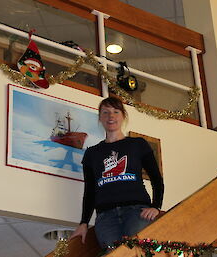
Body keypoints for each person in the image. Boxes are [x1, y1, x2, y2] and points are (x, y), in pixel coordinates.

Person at [70, 96, 164, 250]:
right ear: (100, 118)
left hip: (137, 211)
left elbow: (156, 178)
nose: (111, 116)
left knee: (136, 252)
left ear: (123, 116)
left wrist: (156, 206)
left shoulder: (138, 144)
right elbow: (90, 192)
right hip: (106, 217)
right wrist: (84, 223)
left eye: (115, 111)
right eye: (105, 112)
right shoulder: (92, 153)